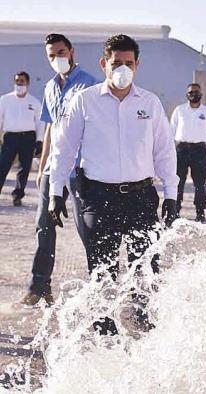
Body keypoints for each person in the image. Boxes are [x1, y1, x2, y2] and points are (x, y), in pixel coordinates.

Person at [48, 34, 178, 334]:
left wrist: (171, 194)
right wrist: (56, 191)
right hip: (98, 197)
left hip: (141, 196)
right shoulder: (85, 100)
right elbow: (63, 147)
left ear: (137, 65)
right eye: (116, 63)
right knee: (102, 269)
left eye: (128, 63)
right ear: (103, 63)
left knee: (146, 266)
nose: (122, 69)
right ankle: (104, 329)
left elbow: (164, 151)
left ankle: (143, 327)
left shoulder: (150, 103)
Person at [20, 34, 98, 306]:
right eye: (52, 55)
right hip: (54, 168)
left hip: (81, 169)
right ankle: (39, 287)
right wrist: (42, 168)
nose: (57, 59)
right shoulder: (50, 87)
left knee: (88, 230)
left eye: (61, 53)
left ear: (72, 51)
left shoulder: (90, 84)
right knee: (44, 226)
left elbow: (97, 127)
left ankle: (99, 291)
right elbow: (51, 127)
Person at [170, 83, 206, 222]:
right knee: (178, 181)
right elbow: (171, 129)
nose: (193, 94)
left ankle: (200, 213)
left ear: (201, 94)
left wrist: (201, 145)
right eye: (190, 92)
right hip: (182, 150)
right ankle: (175, 211)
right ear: (187, 94)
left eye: (196, 92)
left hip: (199, 151)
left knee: (200, 183)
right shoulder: (179, 110)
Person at [0, 71, 42, 206]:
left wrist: (39, 140)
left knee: (24, 168)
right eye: (17, 81)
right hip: (10, 137)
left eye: (22, 81)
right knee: (3, 166)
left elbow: (40, 123)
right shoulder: (5, 100)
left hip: (28, 138)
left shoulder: (34, 102)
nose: (19, 84)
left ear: (27, 83)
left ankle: (18, 195)